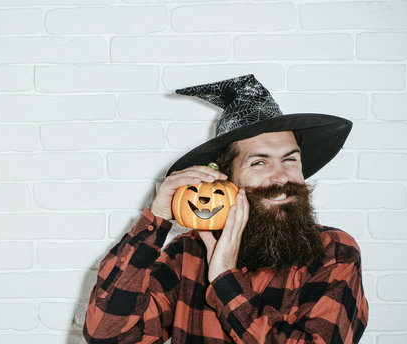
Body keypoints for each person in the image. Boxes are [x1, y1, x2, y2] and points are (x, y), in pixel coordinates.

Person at [83, 74, 369, 343]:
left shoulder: (334, 251)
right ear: (226, 180)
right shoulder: (186, 255)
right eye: (259, 162)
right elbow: (108, 335)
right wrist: (156, 219)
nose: (281, 176)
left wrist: (224, 279)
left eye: (290, 160)